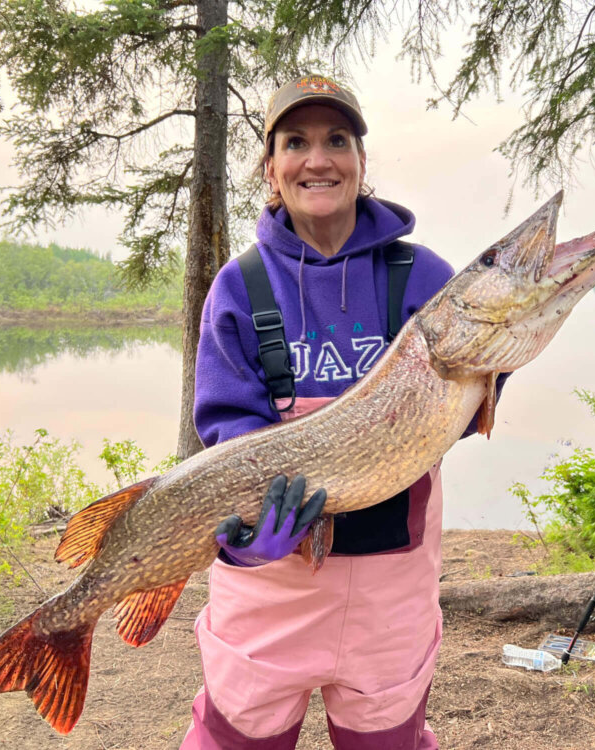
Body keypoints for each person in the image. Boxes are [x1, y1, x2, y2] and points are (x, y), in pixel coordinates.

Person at [181, 74, 479, 750]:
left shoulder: (424, 278)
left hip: (390, 589)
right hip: (271, 587)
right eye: (296, 142)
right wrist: (247, 533)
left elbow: (460, 406)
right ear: (272, 167)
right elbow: (229, 429)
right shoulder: (240, 286)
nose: (318, 159)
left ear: (361, 161)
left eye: (336, 140)